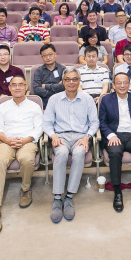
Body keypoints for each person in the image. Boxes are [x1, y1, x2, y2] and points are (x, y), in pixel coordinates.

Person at [0, 75, 43, 234]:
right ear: (9, 88)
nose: (17, 88)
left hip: (27, 141)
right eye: (14, 85)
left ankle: (25, 189)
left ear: (26, 87)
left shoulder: (34, 106)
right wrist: (8, 140)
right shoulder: (3, 107)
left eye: (21, 85)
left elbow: (38, 129)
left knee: (26, 159)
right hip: (6, 141)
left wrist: (25, 140)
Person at [43, 67, 99, 223]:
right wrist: (53, 136)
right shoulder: (54, 99)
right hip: (61, 136)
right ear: (63, 82)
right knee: (60, 154)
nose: (71, 82)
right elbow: (46, 122)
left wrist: (88, 137)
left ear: (79, 81)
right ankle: (57, 197)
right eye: (68, 79)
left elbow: (94, 122)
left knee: (80, 153)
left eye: (75, 79)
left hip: (81, 136)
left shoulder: (87, 99)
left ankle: (68, 196)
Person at [99, 73, 131, 212]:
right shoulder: (106, 100)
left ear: (129, 84)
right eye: (119, 83)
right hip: (114, 134)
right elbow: (102, 122)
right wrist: (110, 135)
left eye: (125, 83)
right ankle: (117, 192)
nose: (122, 85)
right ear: (113, 85)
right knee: (115, 154)